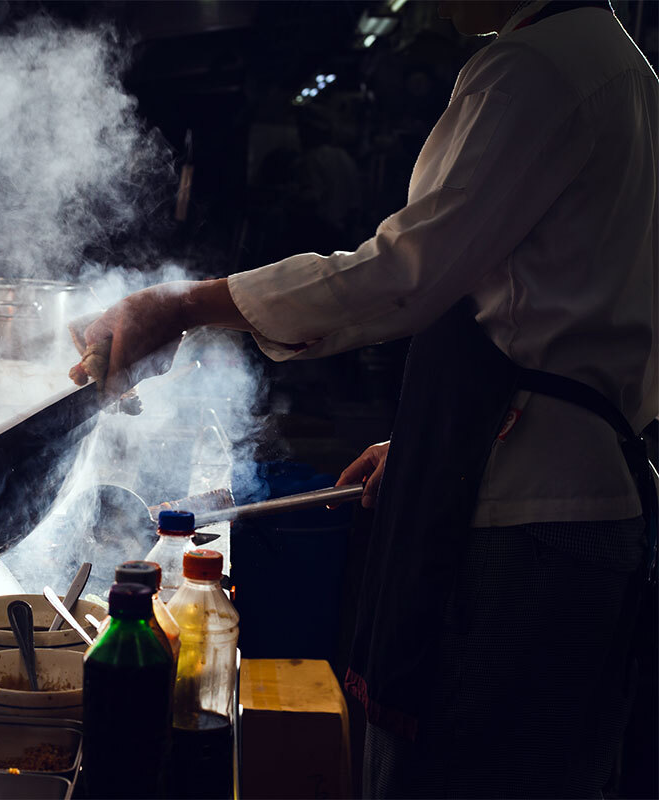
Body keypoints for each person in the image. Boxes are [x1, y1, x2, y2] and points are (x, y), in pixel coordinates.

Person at [70, 1, 657, 796]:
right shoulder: (625, 70)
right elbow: (545, 310)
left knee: (475, 777)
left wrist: (178, 306)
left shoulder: (536, 71)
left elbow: (403, 274)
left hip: (528, 523)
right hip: (579, 494)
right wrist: (433, 444)